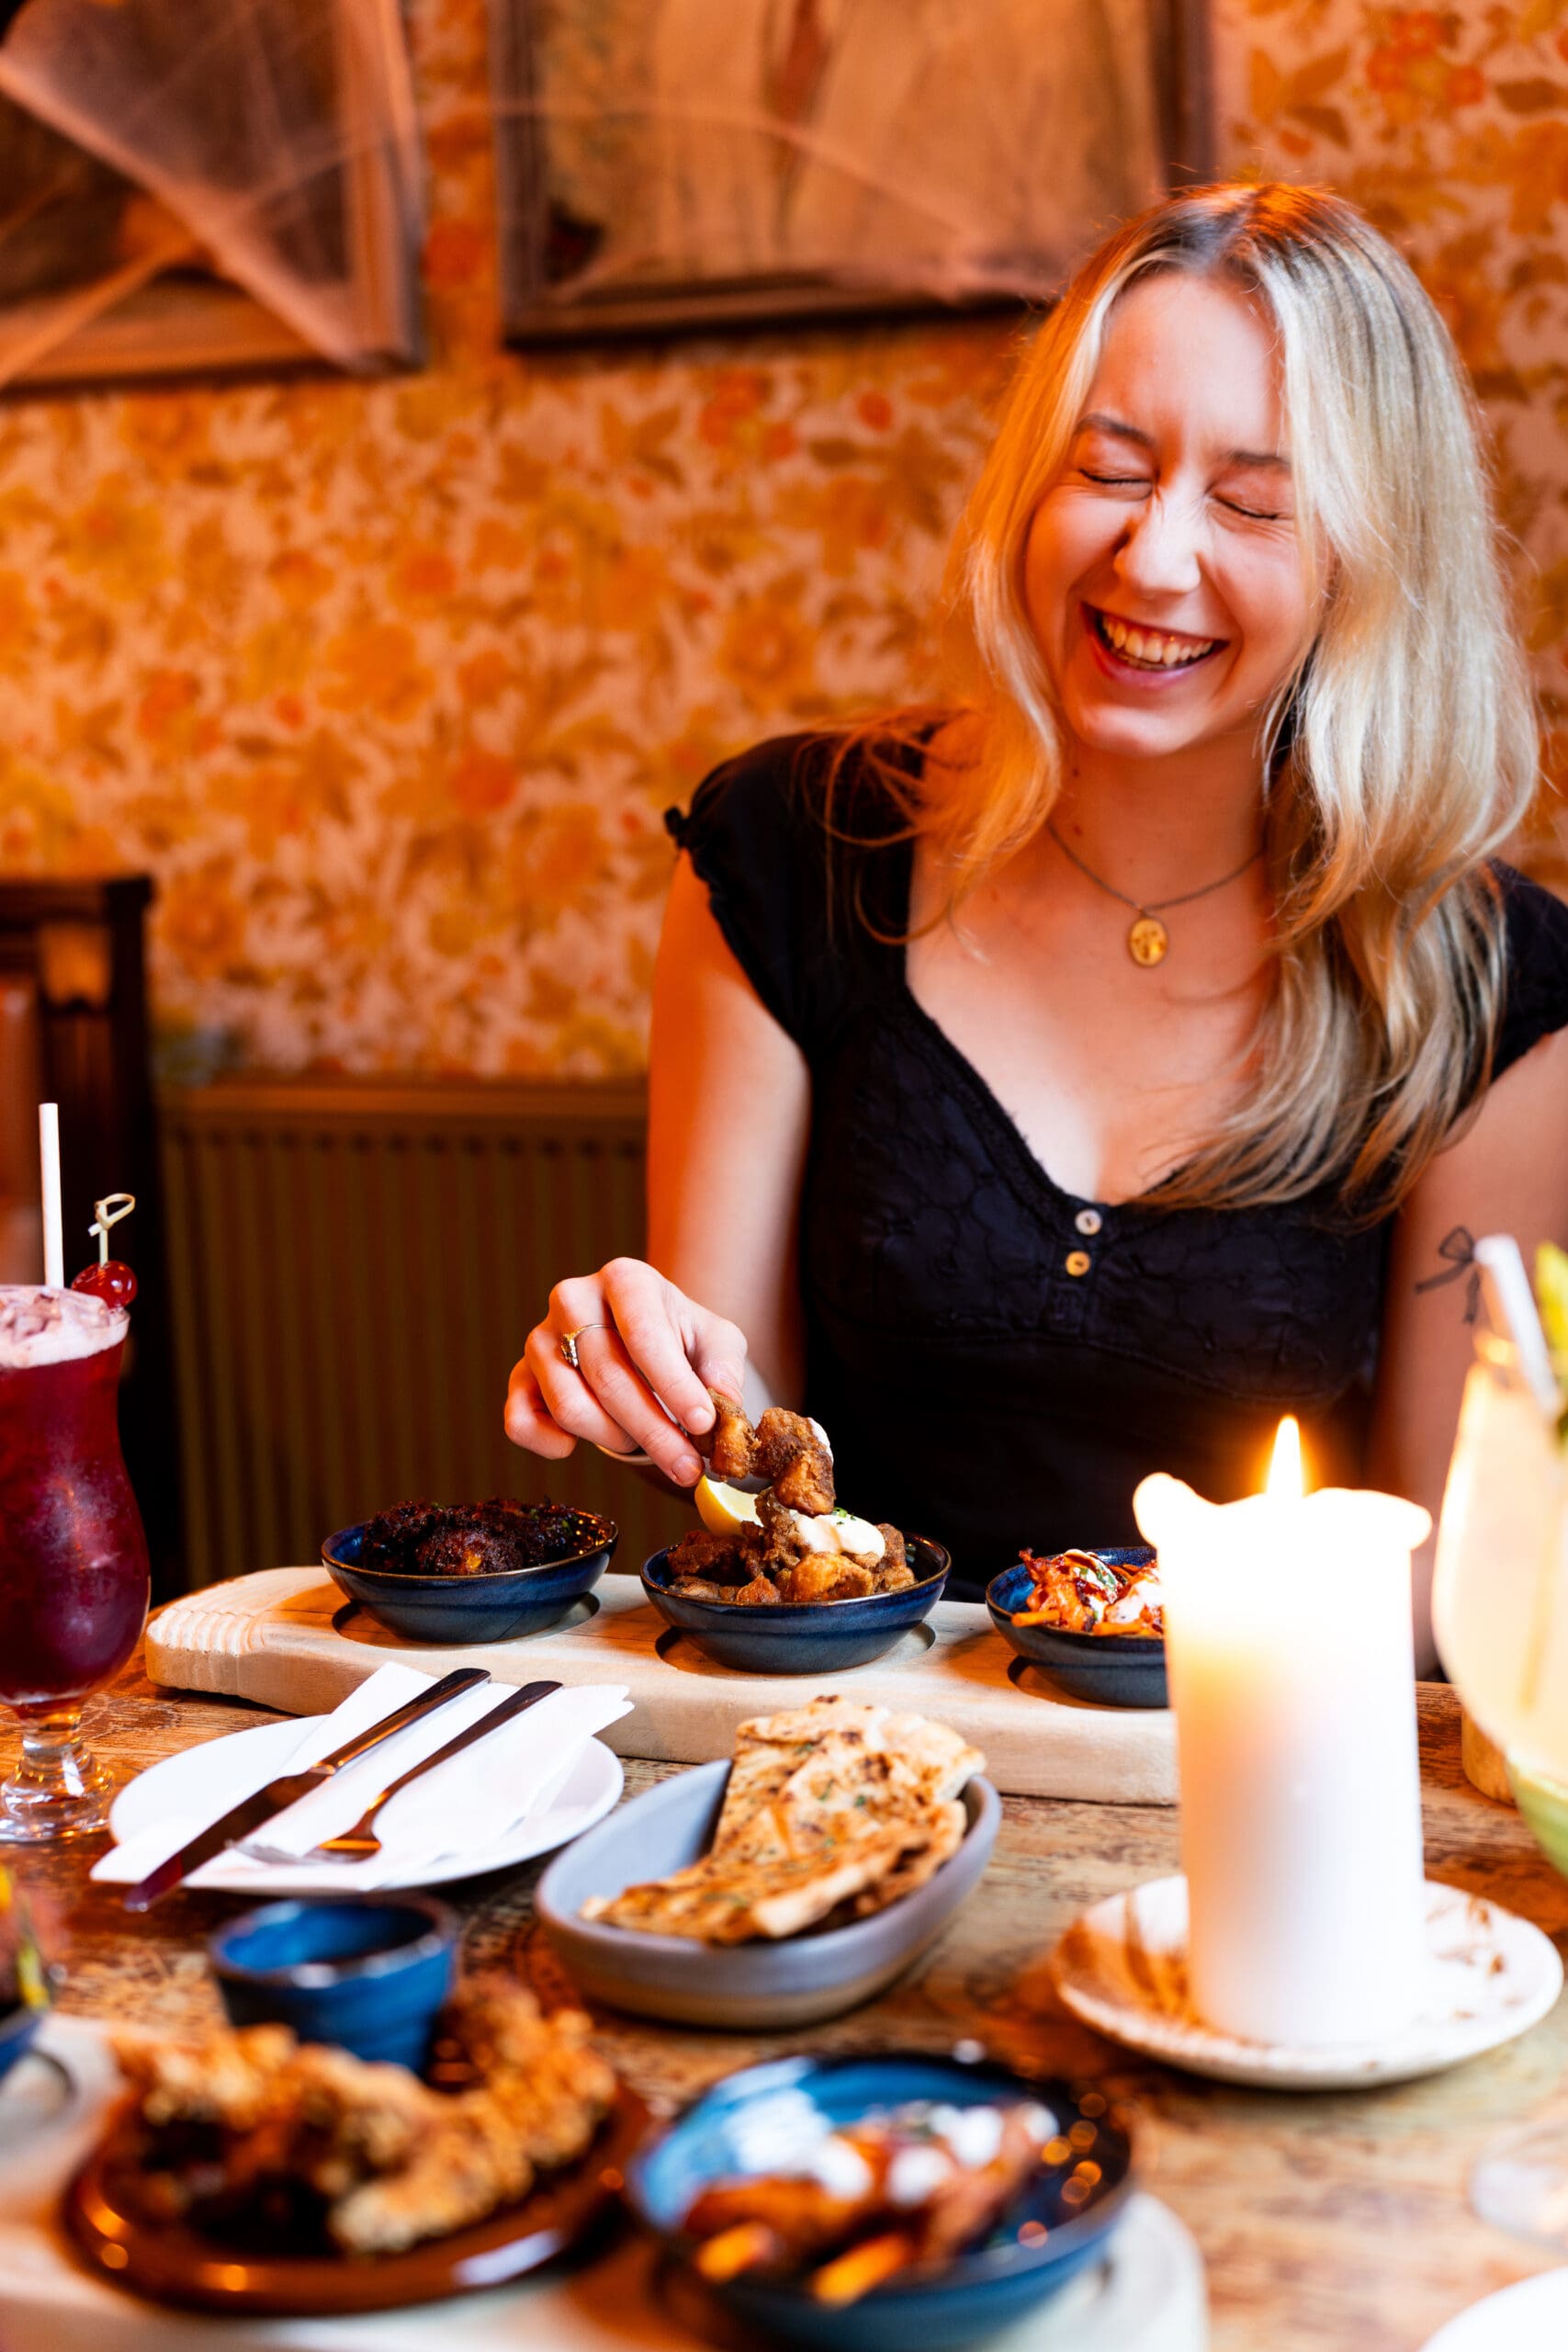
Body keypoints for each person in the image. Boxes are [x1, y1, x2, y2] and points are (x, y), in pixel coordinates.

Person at [505, 183, 1568, 1663]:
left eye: (1255, 505)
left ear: (1367, 568)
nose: (1152, 559)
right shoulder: (790, 852)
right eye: (1110, 467)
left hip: (1253, 1763)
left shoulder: (1490, 986)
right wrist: (643, 1372)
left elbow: (1445, 1589)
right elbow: (733, 1482)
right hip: (856, 1749)